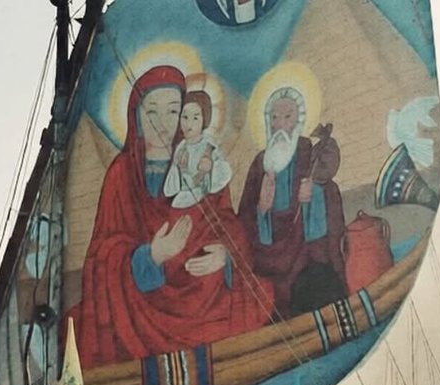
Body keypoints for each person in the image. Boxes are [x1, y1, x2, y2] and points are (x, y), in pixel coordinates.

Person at [74, 65, 270, 368]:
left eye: (173, 111)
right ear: (136, 115)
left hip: (198, 285)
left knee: (219, 282)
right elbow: (101, 254)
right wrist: (150, 255)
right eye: (151, 111)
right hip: (142, 301)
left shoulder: (204, 161)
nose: (163, 123)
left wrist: (225, 254)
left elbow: (226, 220)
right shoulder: (121, 173)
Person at [238, 85, 347, 317]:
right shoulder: (260, 164)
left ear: (299, 121)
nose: (280, 125)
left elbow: (330, 192)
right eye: (274, 118)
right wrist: (262, 210)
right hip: (268, 260)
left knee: (317, 287)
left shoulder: (309, 153)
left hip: (306, 256)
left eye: (288, 117)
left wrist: (314, 194)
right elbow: (244, 219)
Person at [163, 90, 232, 209]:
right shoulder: (181, 148)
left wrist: (209, 169)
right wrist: (180, 169)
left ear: (204, 119)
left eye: (195, 118)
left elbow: (224, 175)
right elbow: (169, 189)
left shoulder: (209, 147)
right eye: (185, 117)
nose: (188, 123)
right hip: (182, 201)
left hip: (205, 203)